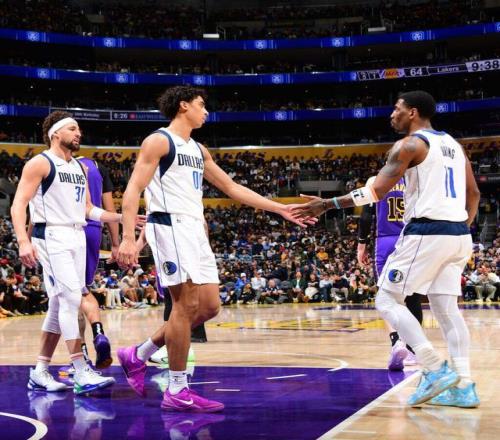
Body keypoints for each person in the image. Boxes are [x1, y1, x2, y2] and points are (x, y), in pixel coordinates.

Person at [116, 85, 312, 412]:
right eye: (201, 105)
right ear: (183, 106)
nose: (206, 111)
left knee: (209, 306)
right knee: (184, 305)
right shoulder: (159, 141)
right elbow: (134, 188)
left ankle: (139, 354)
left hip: (195, 227)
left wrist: (279, 208)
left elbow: (231, 187)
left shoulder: (198, 149)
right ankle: (177, 390)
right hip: (170, 224)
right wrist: (126, 237)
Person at [292, 91, 481, 408]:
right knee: (448, 310)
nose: (392, 114)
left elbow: (376, 192)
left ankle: (433, 367)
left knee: (387, 298)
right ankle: (464, 385)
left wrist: (327, 204)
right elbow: (473, 193)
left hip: (427, 231)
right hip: (459, 234)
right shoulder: (454, 145)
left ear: (412, 112)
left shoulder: (410, 144)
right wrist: (461, 225)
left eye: (397, 109)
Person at [10, 111, 138, 394]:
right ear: (56, 134)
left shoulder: (80, 167)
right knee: (70, 300)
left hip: (77, 235)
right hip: (52, 234)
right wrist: (22, 240)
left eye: (78, 129)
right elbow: (19, 204)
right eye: (72, 128)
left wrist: (121, 218)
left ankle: (40, 371)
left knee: (58, 305)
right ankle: (80, 370)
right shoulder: (41, 163)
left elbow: (88, 209)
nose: (78, 133)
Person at [357, 177, 423, 370]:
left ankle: (396, 342)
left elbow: (366, 216)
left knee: (385, 296)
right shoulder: (416, 177)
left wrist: (361, 245)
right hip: (411, 239)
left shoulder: (375, 180)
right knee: (413, 298)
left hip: (385, 241)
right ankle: (413, 350)